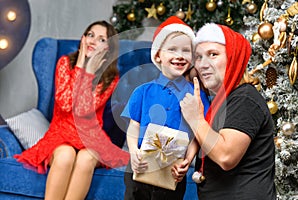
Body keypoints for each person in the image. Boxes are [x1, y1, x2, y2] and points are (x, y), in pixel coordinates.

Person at [14, 20, 130, 200]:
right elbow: (66, 104)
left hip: (91, 138)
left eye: (101, 39)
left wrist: (90, 72)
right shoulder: (65, 63)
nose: (92, 41)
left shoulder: (110, 77)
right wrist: (81, 67)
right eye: (90, 35)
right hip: (61, 134)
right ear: (83, 39)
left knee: (86, 158)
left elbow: (83, 109)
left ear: (108, 48)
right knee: (65, 156)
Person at [179, 23, 276, 199]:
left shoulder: (244, 99)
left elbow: (226, 156)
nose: (203, 64)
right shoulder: (219, 103)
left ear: (233, 57)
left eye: (213, 55)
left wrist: (195, 119)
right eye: (199, 57)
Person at [121, 16, 210, 200]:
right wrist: (134, 152)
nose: (179, 55)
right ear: (158, 55)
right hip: (140, 167)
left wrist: (187, 160)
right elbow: (134, 126)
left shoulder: (197, 95)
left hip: (173, 172)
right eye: (172, 49)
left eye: (186, 50)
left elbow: (197, 134)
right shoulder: (142, 92)